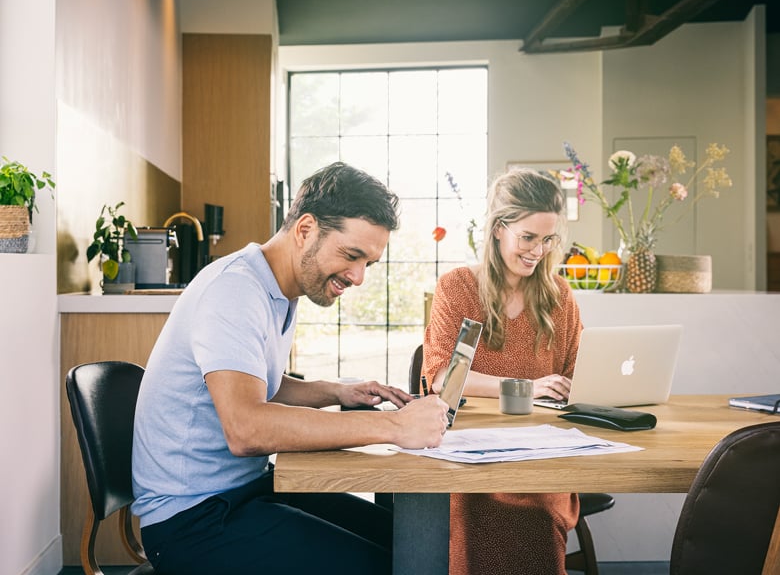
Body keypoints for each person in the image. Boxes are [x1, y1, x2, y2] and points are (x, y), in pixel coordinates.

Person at [132, 162, 450, 575]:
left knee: (408, 546)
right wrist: (395, 428)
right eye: (351, 256)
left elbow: (259, 384)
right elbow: (246, 427)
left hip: (243, 493)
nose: (357, 278)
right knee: (394, 567)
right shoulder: (234, 291)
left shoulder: (280, 290)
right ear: (305, 231)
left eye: (367, 264)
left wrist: (335, 392)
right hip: (192, 521)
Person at [422, 168, 583, 575]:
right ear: (498, 230)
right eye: (527, 238)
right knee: (480, 504)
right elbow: (442, 376)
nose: (538, 251)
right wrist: (525, 387)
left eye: (548, 240)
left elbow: (574, 374)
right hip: (471, 450)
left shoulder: (559, 297)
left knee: (539, 508)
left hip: (542, 451)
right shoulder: (457, 287)